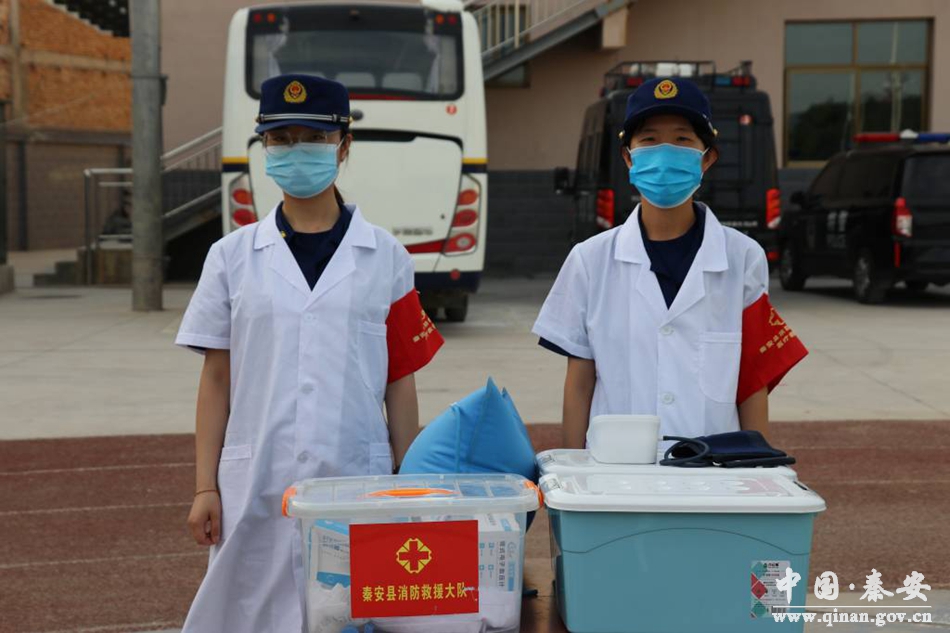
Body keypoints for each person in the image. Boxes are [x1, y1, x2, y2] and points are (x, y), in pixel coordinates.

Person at [175, 74, 444, 632]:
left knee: (351, 614)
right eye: (281, 138)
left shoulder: (386, 256)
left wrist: (407, 480)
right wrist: (205, 486)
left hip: (357, 475)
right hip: (257, 478)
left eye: (314, 138)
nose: (296, 151)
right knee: (249, 614)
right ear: (264, 147)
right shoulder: (230, 257)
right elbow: (216, 378)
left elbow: (399, 378)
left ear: (344, 145)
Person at [532, 77, 807, 449]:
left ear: (707, 158)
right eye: (649, 140)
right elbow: (580, 383)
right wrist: (572, 471)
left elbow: (751, 381)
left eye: (681, 140)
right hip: (616, 469)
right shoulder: (589, 260)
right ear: (628, 157)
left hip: (712, 470)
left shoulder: (743, 257)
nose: (665, 153)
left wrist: (759, 467)